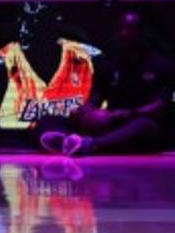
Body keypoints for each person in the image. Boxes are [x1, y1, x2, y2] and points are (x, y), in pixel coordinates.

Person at [40, 11, 173, 156]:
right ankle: (64, 141)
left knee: (144, 126)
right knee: (48, 118)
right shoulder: (111, 62)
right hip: (110, 120)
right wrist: (88, 110)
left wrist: (128, 113)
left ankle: (91, 145)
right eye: (122, 29)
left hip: (135, 119)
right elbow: (98, 93)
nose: (125, 33)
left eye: (131, 29)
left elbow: (160, 104)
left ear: (142, 33)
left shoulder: (160, 64)